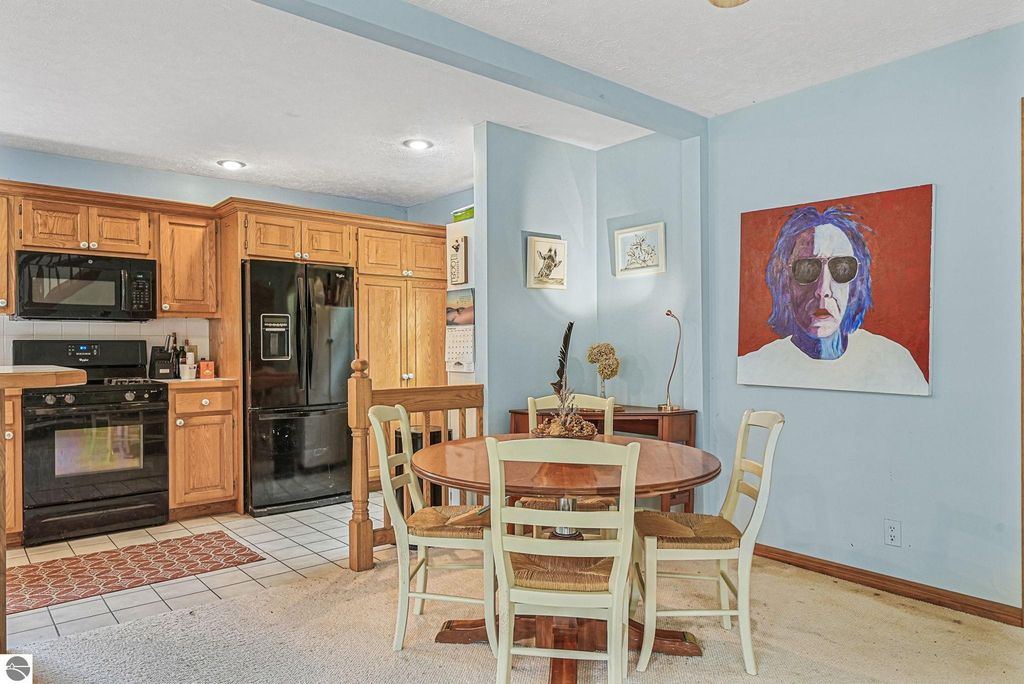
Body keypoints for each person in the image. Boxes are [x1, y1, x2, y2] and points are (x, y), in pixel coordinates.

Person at [737, 206, 928, 396]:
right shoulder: (751, 370)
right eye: (806, 269)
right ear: (785, 284)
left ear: (855, 286)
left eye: (842, 268)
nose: (823, 291)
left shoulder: (895, 363)